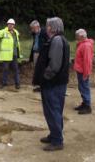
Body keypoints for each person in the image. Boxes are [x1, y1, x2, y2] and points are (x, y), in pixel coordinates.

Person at [33, 17, 70, 151]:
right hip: (55, 83)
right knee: (53, 110)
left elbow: (54, 65)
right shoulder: (58, 40)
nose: (46, 28)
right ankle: (54, 134)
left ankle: (57, 141)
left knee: (53, 110)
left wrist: (45, 77)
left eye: (48, 26)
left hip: (53, 83)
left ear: (52, 27)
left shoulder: (57, 41)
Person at [0, 18, 22, 89]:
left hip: (14, 54)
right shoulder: (4, 31)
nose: (10, 25)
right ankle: (4, 83)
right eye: (9, 24)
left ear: (14, 25)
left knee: (16, 69)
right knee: (5, 69)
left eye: (12, 24)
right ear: (7, 25)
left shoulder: (16, 32)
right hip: (6, 55)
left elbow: (17, 42)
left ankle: (17, 84)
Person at [73, 29, 94, 114]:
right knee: (82, 87)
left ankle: (87, 106)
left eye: (77, 36)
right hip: (80, 70)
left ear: (81, 36)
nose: (76, 37)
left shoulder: (86, 46)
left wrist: (86, 73)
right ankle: (84, 103)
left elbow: (87, 61)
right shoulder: (81, 44)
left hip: (83, 71)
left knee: (84, 87)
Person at [29, 20, 47, 92]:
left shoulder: (44, 32)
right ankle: (40, 86)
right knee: (37, 70)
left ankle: (44, 86)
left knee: (42, 70)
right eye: (31, 28)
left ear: (37, 27)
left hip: (42, 54)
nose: (32, 30)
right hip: (35, 53)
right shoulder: (34, 34)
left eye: (33, 28)